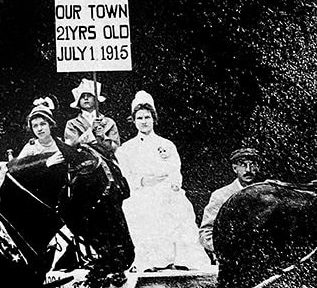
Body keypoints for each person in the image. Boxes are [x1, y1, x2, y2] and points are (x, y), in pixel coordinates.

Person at [116, 91, 211, 271]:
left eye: (147, 117)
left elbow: (175, 168)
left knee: (180, 206)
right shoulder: (126, 149)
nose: (144, 121)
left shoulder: (166, 144)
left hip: (167, 191)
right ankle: (151, 262)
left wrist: (175, 183)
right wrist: (144, 181)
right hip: (142, 193)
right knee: (142, 210)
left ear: (154, 119)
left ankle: (183, 260)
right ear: (134, 121)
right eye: (140, 118)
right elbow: (126, 176)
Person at [199, 147, 265, 257]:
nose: (248, 170)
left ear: (258, 167)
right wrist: (225, 250)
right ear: (235, 168)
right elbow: (206, 233)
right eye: (243, 165)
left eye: (252, 165)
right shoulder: (221, 196)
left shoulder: (266, 194)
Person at [64, 78, 120, 153]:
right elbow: (69, 147)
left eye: (89, 95)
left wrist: (103, 137)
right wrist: (91, 131)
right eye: (82, 96)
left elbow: (116, 148)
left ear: (95, 99)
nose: (86, 98)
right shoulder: (72, 124)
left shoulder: (109, 123)